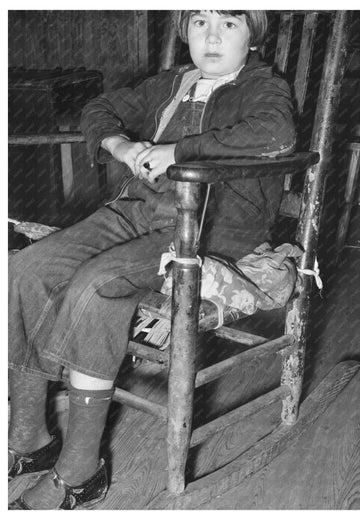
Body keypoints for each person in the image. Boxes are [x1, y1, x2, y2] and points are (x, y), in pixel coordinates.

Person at [8, 10, 296, 509]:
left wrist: (178, 150)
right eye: (200, 21)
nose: (211, 36)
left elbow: (276, 136)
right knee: (26, 270)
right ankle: (28, 438)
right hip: (141, 209)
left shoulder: (262, 86)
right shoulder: (171, 83)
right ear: (184, 31)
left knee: (97, 284)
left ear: (253, 36)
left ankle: (80, 470)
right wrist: (119, 143)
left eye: (229, 24)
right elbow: (97, 107)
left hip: (213, 225)